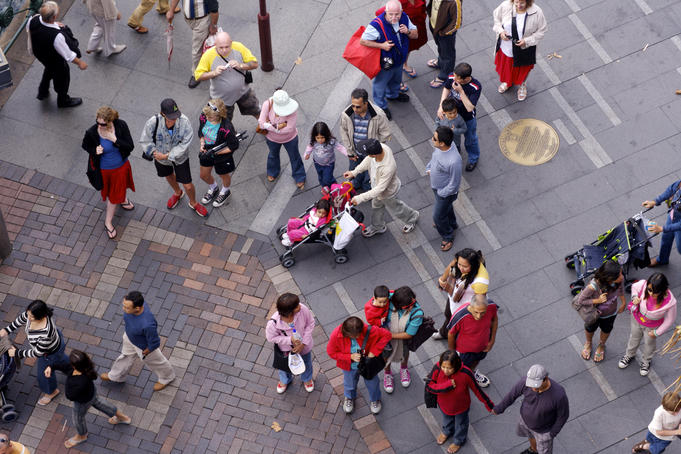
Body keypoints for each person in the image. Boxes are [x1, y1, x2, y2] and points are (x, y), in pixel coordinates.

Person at [44, 350, 131, 449]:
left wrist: (69, 380)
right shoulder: (85, 369)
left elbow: (70, 396)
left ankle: (82, 436)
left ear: (75, 366)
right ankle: (123, 417)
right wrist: (50, 367)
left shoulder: (80, 381)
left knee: (78, 418)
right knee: (100, 403)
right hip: (91, 393)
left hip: (82, 401)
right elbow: (62, 365)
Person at [140, 98, 208, 217]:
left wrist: (166, 155)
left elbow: (185, 143)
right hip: (160, 158)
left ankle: (193, 202)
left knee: (188, 184)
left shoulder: (184, 121)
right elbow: (145, 140)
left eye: (176, 115)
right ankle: (178, 192)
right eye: (171, 117)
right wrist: (155, 153)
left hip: (180, 158)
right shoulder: (153, 122)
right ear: (163, 114)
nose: (175, 119)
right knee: (169, 176)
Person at [101, 291, 176, 391]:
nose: (123, 309)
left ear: (137, 308)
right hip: (130, 338)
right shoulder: (136, 306)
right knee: (125, 357)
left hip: (143, 347)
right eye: (124, 305)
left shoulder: (148, 324)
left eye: (127, 308)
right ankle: (117, 376)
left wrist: (148, 350)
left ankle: (167, 377)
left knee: (157, 363)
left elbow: (155, 341)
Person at [343, 139, 419, 237]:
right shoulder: (381, 147)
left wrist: (360, 198)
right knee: (376, 207)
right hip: (376, 190)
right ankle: (378, 226)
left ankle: (412, 218)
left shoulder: (388, 167)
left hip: (387, 193)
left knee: (397, 208)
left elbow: (380, 189)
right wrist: (354, 172)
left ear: (373, 155)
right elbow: (368, 160)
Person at [0, 300, 69, 406]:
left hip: (48, 353)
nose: (28, 318)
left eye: (31, 316)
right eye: (28, 314)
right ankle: (73, 368)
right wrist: (7, 330)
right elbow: (22, 318)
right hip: (56, 345)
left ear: (41, 316)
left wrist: (17, 353)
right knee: (60, 359)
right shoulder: (32, 314)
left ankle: (51, 392)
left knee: (44, 375)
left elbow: (38, 352)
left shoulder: (46, 332)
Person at [82, 106, 135, 240]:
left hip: (122, 167)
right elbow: (85, 145)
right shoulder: (92, 132)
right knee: (113, 197)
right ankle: (108, 222)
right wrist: (95, 150)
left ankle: (122, 199)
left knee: (120, 188)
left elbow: (130, 146)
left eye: (103, 124)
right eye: (98, 122)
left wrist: (114, 139)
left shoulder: (121, 125)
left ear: (111, 121)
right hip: (106, 171)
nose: (100, 126)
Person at [359, 0, 417, 119]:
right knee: (380, 85)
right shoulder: (376, 25)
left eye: (397, 14)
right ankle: (381, 106)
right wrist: (382, 46)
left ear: (401, 12)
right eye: (391, 14)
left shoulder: (404, 17)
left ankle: (392, 95)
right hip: (385, 63)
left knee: (396, 79)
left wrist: (408, 31)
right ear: (386, 12)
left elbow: (415, 35)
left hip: (399, 60)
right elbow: (363, 41)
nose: (394, 17)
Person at [426, 350, 494, 454]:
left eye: (449, 368)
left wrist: (489, 405)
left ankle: (458, 440)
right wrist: (446, 385)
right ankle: (446, 431)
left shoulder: (466, 373)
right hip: (443, 405)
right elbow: (429, 386)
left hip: (461, 407)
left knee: (461, 424)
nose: (445, 370)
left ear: (456, 365)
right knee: (446, 419)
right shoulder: (437, 368)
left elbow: (477, 391)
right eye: (443, 367)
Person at [492, 364, 569, 454]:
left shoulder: (559, 395)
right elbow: (512, 394)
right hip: (525, 422)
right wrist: (499, 408)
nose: (533, 388)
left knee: (545, 451)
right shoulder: (525, 382)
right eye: (531, 384)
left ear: (546, 379)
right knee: (531, 437)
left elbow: (563, 416)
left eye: (536, 385)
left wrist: (552, 434)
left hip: (543, 431)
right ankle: (533, 450)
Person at [326, 316, 392, 415]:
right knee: (350, 384)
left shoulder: (368, 330)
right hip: (349, 366)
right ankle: (349, 397)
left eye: (358, 335)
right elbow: (331, 352)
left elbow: (387, 335)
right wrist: (349, 357)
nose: (357, 338)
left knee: (373, 384)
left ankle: (375, 399)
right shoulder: (336, 335)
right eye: (354, 336)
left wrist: (374, 351)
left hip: (368, 365)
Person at [27, 1, 88, 108]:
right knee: (62, 78)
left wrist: (54, 24)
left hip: (40, 54)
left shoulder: (33, 19)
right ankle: (63, 100)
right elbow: (68, 55)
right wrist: (80, 63)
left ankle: (43, 91)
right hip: (55, 59)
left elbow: (32, 31)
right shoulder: (57, 36)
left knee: (49, 68)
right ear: (54, 17)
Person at [618, 273, 677, 376]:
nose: (651, 293)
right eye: (649, 290)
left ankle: (646, 361)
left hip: (653, 326)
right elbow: (634, 287)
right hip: (636, 319)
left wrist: (657, 332)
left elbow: (670, 319)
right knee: (634, 338)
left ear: (663, 290)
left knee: (649, 344)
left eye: (655, 292)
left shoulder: (670, 302)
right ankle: (629, 355)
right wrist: (634, 297)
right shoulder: (643, 284)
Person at [194, 32, 260, 121]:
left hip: (243, 91)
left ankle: (265, 128)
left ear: (231, 43)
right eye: (221, 47)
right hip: (221, 99)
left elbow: (255, 64)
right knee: (223, 122)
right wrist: (214, 73)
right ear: (215, 45)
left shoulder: (239, 47)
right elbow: (198, 76)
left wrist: (240, 65)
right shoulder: (208, 55)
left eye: (227, 47)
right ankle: (231, 134)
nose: (224, 50)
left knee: (257, 111)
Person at [492, 0, 547, 101]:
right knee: (507, 67)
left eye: (522, 3)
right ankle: (507, 82)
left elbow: (542, 30)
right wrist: (501, 32)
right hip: (507, 46)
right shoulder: (506, 5)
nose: (518, 5)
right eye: (516, 2)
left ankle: (522, 85)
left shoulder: (537, 12)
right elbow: (497, 19)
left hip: (525, 48)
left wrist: (527, 40)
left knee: (522, 70)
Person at [339, 88, 391, 191]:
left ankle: (368, 189)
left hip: (371, 154)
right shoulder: (347, 114)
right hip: (355, 152)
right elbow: (344, 132)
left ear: (366, 103)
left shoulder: (378, 114)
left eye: (358, 107)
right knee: (355, 172)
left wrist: (375, 149)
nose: (354, 109)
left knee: (370, 174)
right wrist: (350, 151)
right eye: (353, 105)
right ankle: (356, 184)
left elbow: (385, 134)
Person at [265, 293, 316, 394]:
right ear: (289, 312)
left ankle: (307, 379)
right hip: (286, 350)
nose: (300, 306)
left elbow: (310, 323)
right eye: (296, 306)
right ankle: (285, 380)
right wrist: (289, 340)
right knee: (284, 367)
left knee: (307, 363)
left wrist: (304, 343)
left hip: (304, 348)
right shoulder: (273, 324)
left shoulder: (303, 310)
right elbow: (271, 337)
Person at [576, 260, 626, 363]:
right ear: (609, 278)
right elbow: (581, 301)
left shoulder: (619, 281)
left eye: (621, 273)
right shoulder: (593, 286)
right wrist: (597, 300)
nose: (622, 277)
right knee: (590, 329)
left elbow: (620, 290)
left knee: (606, 330)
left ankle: (601, 345)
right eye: (619, 275)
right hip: (594, 314)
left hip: (610, 313)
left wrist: (623, 302)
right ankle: (588, 343)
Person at [433, 248, 488, 339]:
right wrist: (442, 280)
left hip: (467, 307)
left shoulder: (480, 282)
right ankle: (444, 333)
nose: (461, 268)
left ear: (473, 266)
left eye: (465, 267)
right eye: (459, 264)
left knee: (461, 327)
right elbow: (451, 266)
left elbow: (480, 301)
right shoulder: (460, 261)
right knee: (448, 315)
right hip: (454, 297)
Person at [437, 62, 482, 172]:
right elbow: (446, 88)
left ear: (466, 78)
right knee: (453, 134)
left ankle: (473, 158)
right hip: (452, 115)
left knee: (470, 139)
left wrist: (461, 91)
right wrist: (441, 106)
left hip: (467, 118)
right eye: (455, 76)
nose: (455, 79)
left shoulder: (475, 87)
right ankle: (456, 149)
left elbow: (470, 107)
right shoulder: (453, 76)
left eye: (458, 78)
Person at [375, 0, 428, 91]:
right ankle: (396, 81)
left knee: (408, 50)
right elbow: (379, 14)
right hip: (400, 35)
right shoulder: (399, 2)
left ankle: (404, 65)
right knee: (395, 58)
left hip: (412, 31)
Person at [258, 90, 306, 189]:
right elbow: (261, 123)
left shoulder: (292, 109)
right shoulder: (268, 104)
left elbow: (290, 128)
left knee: (295, 157)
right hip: (272, 139)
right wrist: (277, 127)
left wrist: (270, 127)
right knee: (272, 155)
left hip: (290, 138)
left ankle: (299, 176)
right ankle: (273, 171)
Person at [447, 294, 497, 387]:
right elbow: (451, 334)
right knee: (458, 368)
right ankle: (454, 382)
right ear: (471, 306)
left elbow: (494, 320)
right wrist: (453, 353)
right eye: (476, 312)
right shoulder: (460, 315)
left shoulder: (491, 306)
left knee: (476, 360)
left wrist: (492, 340)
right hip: (464, 351)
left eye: (482, 312)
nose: (479, 316)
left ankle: (471, 374)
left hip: (483, 347)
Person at [197, 98, 240, 208]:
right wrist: (202, 143)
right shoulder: (203, 116)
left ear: (219, 115)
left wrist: (217, 153)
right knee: (204, 175)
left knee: (223, 174)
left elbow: (233, 146)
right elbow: (200, 132)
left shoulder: (227, 128)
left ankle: (225, 191)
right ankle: (213, 187)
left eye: (210, 117)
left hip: (222, 155)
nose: (207, 118)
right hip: (206, 150)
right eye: (206, 116)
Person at [166, 0, 219, 88]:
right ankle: (206, 58)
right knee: (201, 43)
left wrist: (213, 26)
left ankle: (197, 74)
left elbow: (214, 10)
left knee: (196, 50)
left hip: (202, 21)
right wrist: (171, 10)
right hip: (190, 19)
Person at [427, 126, 462, 252]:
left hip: (444, 192)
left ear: (442, 143)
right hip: (437, 188)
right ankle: (452, 224)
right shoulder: (441, 147)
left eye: (434, 138)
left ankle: (447, 236)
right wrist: (429, 167)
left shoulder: (454, 161)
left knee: (437, 216)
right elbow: (435, 157)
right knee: (446, 209)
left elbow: (455, 183)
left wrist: (442, 193)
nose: (432, 139)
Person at [382, 286, 423, 393]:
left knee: (404, 353)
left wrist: (390, 335)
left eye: (413, 302)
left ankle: (404, 368)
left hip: (400, 338)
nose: (412, 307)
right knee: (385, 357)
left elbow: (409, 334)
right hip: (385, 338)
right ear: (398, 305)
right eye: (407, 306)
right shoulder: (387, 300)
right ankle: (387, 373)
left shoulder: (417, 313)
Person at [426, 0, 463, 89]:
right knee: (441, 48)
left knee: (448, 54)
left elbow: (457, 23)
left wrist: (444, 33)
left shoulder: (454, 2)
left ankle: (444, 75)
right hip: (435, 26)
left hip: (444, 32)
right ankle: (440, 62)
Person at [643, 181, 681, 266]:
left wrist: (662, 229)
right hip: (674, 216)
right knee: (666, 238)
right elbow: (672, 188)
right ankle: (662, 260)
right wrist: (655, 201)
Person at [304, 122, 348, 189]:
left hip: (329, 164)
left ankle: (334, 186)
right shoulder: (313, 141)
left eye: (322, 137)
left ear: (326, 135)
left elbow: (340, 147)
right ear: (314, 136)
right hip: (317, 163)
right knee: (320, 176)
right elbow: (309, 147)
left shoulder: (331, 141)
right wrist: (307, 154)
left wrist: (348, 154)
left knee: (327, 178)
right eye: (318, 138)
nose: (320, 140)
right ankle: (324, 186)